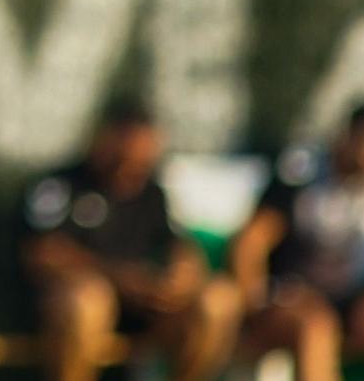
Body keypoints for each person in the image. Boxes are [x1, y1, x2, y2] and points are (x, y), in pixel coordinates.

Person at [19, 96, 242, 381]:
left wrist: (181, 276)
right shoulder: (59, 187)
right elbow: (42, 253)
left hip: (146, 311)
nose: (131, 171)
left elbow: (179, 245)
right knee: (87, 300)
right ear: (102, 141)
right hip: (76, 314)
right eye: (124, 159)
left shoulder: (152, 193)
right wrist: (120, 279)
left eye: (143, 163)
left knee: (219, 300)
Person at [227, 101, 364, 380]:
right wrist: (254, 305)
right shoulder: (301, 176)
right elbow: (251, 242)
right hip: (290, 295)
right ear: (349, 137)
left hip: (349, 304)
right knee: (317, 328)